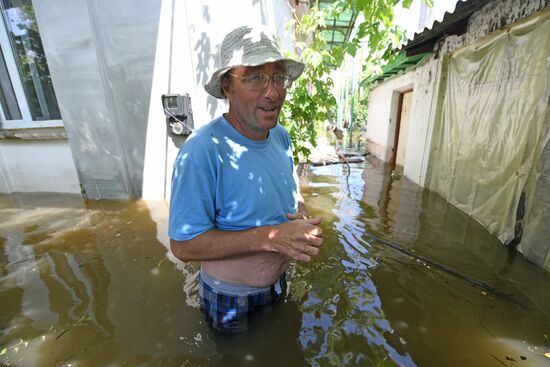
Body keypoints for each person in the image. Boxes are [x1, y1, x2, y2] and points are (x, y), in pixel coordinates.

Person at [168, 25, 324, 333]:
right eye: (255, 77)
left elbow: (291, 192)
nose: (273, 91)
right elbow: (183, 246)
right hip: (229, 298)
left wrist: (300, 213)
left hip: (279, 284)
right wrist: (271, 237)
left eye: (278, 77)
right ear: (227, 87)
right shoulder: (201, 151)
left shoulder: (281, 137)